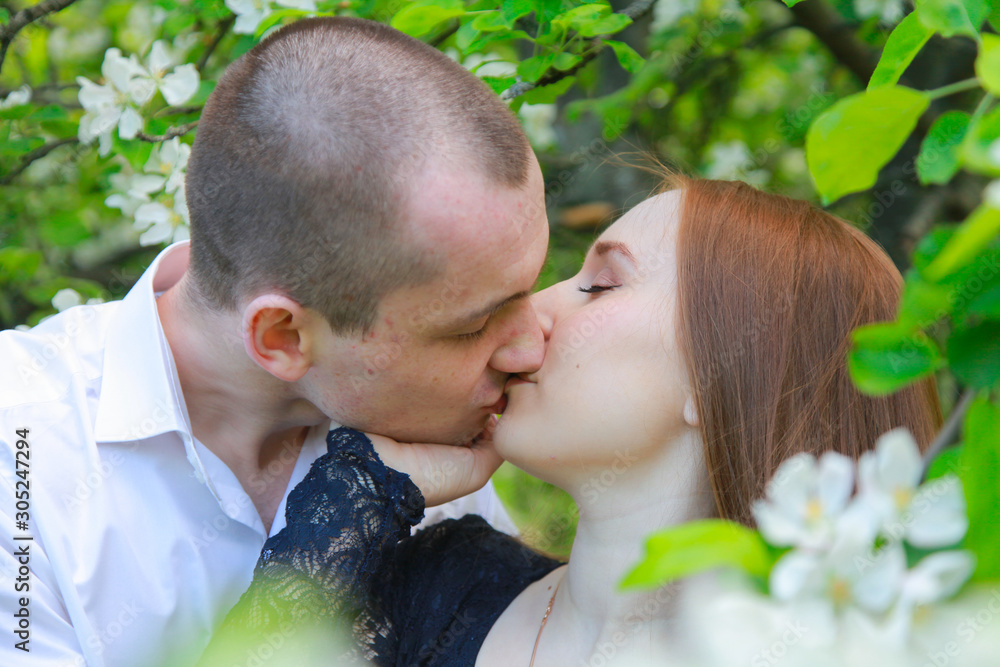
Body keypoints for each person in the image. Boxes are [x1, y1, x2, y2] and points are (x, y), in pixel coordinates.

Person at [202, 172, 942, 666]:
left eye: (599, 283)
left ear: (725, 370)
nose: (531, 318)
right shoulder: (439, 580)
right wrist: (362, 491)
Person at [0, 17, 548, 667]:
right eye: (471, 326)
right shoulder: (21, 459)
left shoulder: (418, 422)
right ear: (283, 335)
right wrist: (355, 507)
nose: (532, 346)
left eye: (531, 291)